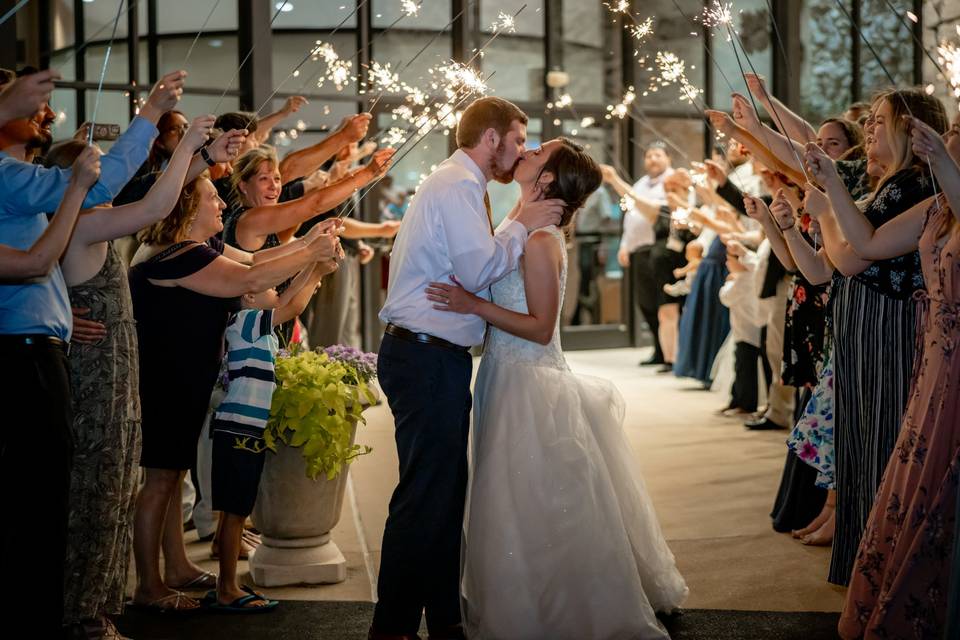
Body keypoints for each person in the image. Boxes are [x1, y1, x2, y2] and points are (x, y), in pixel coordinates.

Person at [426, 137, 687, 638]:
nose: (525, 151)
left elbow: (541, 327)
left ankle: (551, 605)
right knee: (514, 495)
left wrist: (472, 305)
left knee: (532, 497)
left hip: (529, 380)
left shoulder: (542, 241)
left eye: (537, 153)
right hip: (503, 373)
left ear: (547, 180)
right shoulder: (520, 224)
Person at [371, 96, 563, 640]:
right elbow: (477, 269)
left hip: (435, 355)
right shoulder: (456, 186)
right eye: (519, 140)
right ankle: (392, 628)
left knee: (444, 494)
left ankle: (445, 618)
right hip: (423, 354)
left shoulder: (463, 185)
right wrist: (522, 223)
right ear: (491, 139)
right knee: (424, 495)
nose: (521, 151)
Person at [0, 68, 181, 636]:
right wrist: (80, 182)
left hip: (39, 349)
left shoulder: (15, 176)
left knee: (51, 501)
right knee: (43, 506)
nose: (44, 112)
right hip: (21, 357)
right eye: (30, 105)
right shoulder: (10, 177)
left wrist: (153, 117)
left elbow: (101, 189)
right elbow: (36, 259)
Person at [128, 173, 342, 613]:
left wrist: (311, 242)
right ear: (186, 209)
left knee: (174, 476)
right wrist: (311, 254)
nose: (222, 207)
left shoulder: (196, 249)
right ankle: (149, 587)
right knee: (160, 480)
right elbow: (249, 280)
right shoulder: (174, 255)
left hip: (184, 379)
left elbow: (253, 260)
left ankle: (177, 568)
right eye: (212, 199)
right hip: (166, 381)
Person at [208, 260, 335, 613]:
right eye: (269, 287)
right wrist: (318, 272)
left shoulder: (254, 326)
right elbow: (291, 305)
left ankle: (226, 582)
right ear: (248, 295)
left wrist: (313, 269)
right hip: (239, 431)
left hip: (242, 429)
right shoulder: (247, 321)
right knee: (236, 511)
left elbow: (288, 299)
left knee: (235, 510)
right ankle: (227, 587)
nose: (276, 291)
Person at [605, 142, 674, 366]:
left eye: (657, 155)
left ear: (668, 159)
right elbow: (631, 217)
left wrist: (616, 181)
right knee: (645, 303)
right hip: (638, 251)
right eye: (649, 155)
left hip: (660, 250)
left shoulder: (672, 182)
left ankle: (669, 353)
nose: (652, 159)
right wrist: (624, 245)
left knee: (662, 304)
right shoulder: (640, 184)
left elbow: (653, 212)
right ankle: (658, 349)